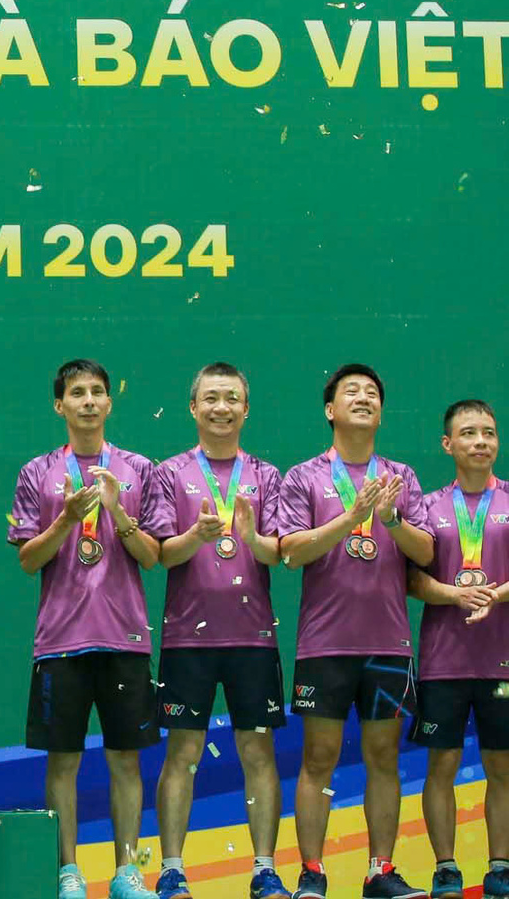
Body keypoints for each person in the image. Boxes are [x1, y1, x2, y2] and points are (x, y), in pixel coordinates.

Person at [273, 363, 431, 899]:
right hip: (324, 644)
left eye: (371, 393)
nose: (363, 399)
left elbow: (427, 552)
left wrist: (389, 519)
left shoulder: (402, 477)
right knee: (318, 759)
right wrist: (351, 517)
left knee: (384, 758)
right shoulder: (304, 477)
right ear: (330, 410)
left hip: (388, 643)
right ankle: (312, 873)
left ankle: (379, 871)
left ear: (381, 411)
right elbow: (291, 551)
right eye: (351, 392)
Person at [8, 358, 165, 899]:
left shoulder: (140, 470)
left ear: (109, 403)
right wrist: (67, 518)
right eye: (78, 393)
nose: (90, 400)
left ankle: (127, 872)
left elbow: (152, 557)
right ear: (61, 405)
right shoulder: (36, 472)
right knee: (64, 760)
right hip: (60, 640)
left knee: (126, 758)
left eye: (98, 391)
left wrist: (119, 515)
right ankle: (68, 872)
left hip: (125, 637)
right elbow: (29, 560)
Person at [147, 364, 290, 899]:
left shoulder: (269, 476)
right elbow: (163, 554)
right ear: (194, 408)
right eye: (211, 398)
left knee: (258, 754)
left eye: (232, 398)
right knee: (181, 752)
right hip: (188, 639)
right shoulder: (168, 474)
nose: (221, 407)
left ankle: (265, 869)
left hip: (255, 637)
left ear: (246, 409)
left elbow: (279, 551)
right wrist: (196, 534)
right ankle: (172, 870)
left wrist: (251, 539)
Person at [408, 400, 509, 899]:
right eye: (469, 433)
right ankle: (445, 867)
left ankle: (501, 867)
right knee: (441, 766)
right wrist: (455, 594)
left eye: (489, 433)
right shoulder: (427, 507)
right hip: (443, 660)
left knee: (502, 767)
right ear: (448, 445)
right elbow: (413, 580)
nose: (481, 442)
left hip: (502, 659)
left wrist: (497, 594)